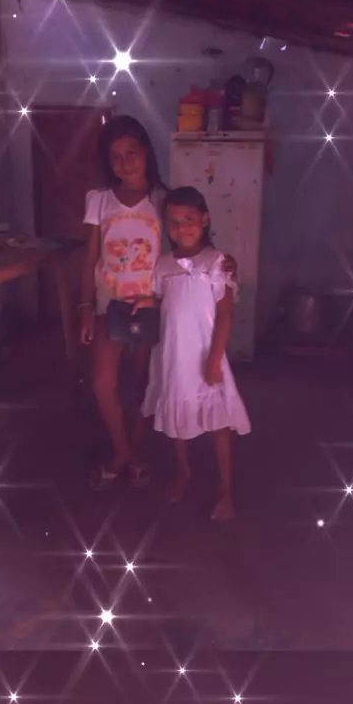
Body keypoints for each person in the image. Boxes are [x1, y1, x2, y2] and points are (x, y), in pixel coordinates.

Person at [80, 116, 237, 491]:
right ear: (107, 161)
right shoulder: (99, 200)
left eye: (132, 151)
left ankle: (134, 454)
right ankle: (124, 454)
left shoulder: (162, 199)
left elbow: (188, 240)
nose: (125, 162)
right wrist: (84, 306)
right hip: (108, 305)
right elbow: (90, 259)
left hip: (153, 307)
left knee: (142, 385)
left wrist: (222, 261)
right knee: (103, 384)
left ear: (146, 151)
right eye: (116, 155)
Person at [139, 186, 251, 521]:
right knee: (177, 422)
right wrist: (143, 304)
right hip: (173, 358)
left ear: (204, 220)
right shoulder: (162, 266)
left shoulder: (217, 263)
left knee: (219, 424)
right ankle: (184, 472)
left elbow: (225, 314)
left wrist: (215, 359)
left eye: (189, 219)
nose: (181, 227)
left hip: (207, 356)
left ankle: (226, 491)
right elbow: (161, 305)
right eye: (173, 221)